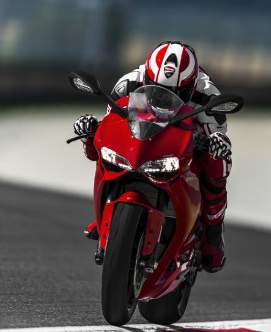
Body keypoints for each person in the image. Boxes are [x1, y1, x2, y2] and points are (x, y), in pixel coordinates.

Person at [73, 41, 232, 273]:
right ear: (147, 75)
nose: (164, 96)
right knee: (107, 151)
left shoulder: (207, 95)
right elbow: (113, 126)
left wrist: (217, 143)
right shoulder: (129, 83)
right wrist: (92, 131)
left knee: (220, 162)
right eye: (156, 86)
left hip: (186, 140)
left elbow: (218, 134)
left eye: (175, 92)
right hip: (143, 136)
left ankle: (213, 235)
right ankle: (106, 212)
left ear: (190, 85)